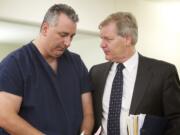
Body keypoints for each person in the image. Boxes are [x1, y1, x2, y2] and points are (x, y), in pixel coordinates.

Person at [0, 3, 94, 135]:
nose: (68, 42)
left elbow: (88, 113)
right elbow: (5, 117)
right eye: (63, 34)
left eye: (72, 36)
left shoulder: (76, 63)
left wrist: (85, 132)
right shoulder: (14, 64)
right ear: (45, 28)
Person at [89, 12, 180, 135]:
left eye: (108, 39)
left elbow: (176, 120)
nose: (102, 44)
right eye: (101, 38)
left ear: (127, 39)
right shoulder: (96, 73)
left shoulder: (163, 73)